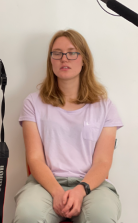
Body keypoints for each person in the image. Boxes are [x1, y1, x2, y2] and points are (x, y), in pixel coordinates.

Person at [13, 29, 122, 223]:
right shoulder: (33, 103)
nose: (64, 59)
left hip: (92, 186)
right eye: (57, 53)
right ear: (51, 61)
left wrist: (81, 190)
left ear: (84, 60)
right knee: (28, 215)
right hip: (44, 185)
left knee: (102, 217)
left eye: (72, 53)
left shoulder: (105, 106)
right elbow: (35, 158)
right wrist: (56, 192)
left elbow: (103, 162)